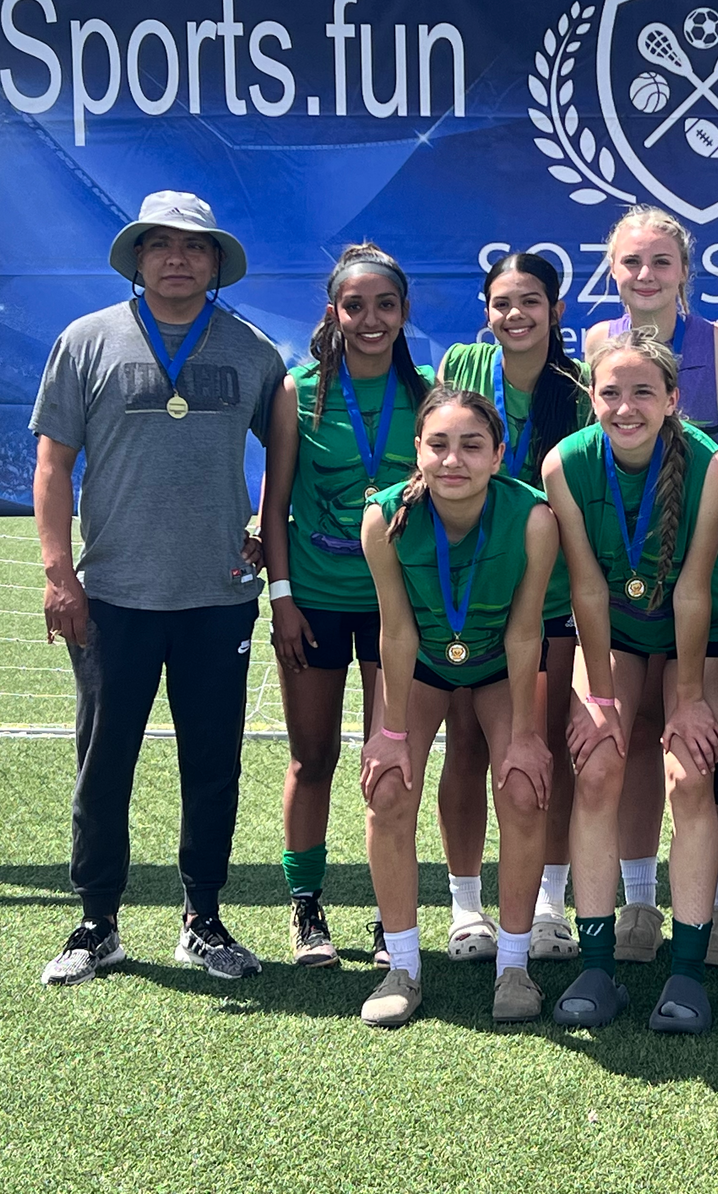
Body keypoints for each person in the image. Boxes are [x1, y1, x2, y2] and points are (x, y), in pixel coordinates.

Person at [33, 190, 285, 987]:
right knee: (104, 760)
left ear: (216, 265)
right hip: (112, 596)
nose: (178, 258)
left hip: (217, 597)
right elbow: (52, 466)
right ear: (137, 257)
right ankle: (96, 922)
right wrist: (58, 573)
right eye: (161, 245)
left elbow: (286, 458)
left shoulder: (252, 351)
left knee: (214, 763)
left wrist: (262, 534)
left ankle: (201, 920)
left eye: (196, 247)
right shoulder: (85, 342)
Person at [540, 328, 718, 1033]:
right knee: (596, 768)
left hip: (696, 636)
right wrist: (599, 699)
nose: (626, 407)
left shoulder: (713, 466)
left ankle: (686, 974)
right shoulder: (565, 462)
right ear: (590, 397)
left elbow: (693, 591)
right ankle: (599, 966)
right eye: (611, 393)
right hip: (614, 630)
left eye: (643, 393)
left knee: (690, 776)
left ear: (674, 400)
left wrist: (686, 700)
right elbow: (587, 590)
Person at [583, 206, 718, 970]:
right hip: (623, 582)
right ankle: (640, 901)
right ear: (613, 270)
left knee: (709, 745)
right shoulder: (595, 344)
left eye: (660, 261)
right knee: (633, 738)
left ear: (686, 270)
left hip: (706, 576)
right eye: (631, 262)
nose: (645, 275)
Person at [356, 388, 559, 1028]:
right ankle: (403, 966)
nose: (454, 460)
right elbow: (396, 631)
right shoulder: (384, 518)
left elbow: (527, 632)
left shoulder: (533, 518)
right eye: (438, 445)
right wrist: (389, 732)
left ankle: (516, 966)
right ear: (417, 451)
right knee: (387, 788)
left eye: (472, 445)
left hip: (500, 662)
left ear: (499, 454)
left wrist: (525, 733)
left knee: (524, 788)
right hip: (423, 666)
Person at [258, 244, 431, 968]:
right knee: (314, 755)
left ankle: (390, 919)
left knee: (389, 762)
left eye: (383, 305)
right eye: (354, 305)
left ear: (403, 313)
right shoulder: (299, 391)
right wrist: (284, 600)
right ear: (334, 312)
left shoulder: (427, 396)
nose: (369, 319)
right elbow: (273, 508)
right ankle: (306, 909)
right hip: (317, 601)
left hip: (397, 610)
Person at [434, 253, 589, 964]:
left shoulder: (582, 389)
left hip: (550, 596)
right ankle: (466, 908)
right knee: (465, 746)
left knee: (543, 748)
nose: (515, 315)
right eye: (502, 302)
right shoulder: (464, 365)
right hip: (463, 597)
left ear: (557, 311)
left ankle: (550, 903)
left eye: (531, 301)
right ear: (485, 310)